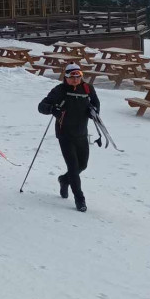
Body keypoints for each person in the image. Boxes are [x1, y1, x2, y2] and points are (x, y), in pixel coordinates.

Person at [37, 63, 100, 212]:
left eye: (78, 76)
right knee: (73, 168)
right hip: (64, 134)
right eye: (72, 77)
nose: (76, 79)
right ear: (66, 77)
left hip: (82, 133)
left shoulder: (87, 88)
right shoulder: (59, 90)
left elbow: (95, 103)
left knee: (82, 165)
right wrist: (53, 109)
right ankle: (80, 199)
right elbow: (41, 106)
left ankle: (64, 180)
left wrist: (93, 111)